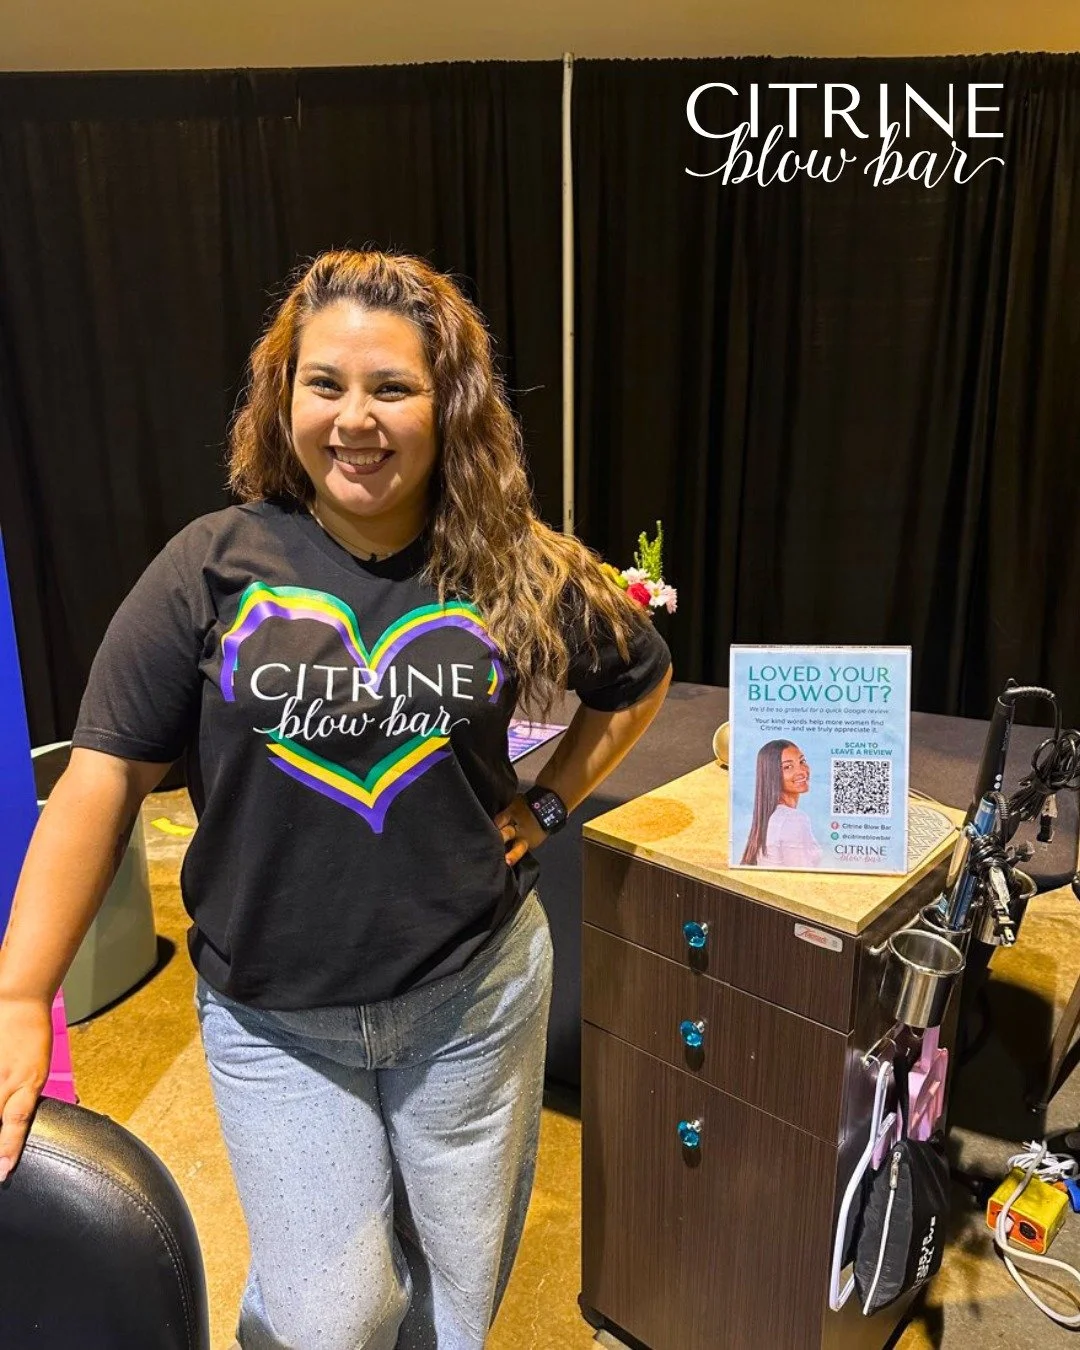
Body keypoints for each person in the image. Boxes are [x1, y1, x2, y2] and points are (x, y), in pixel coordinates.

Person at [0, 250, 672, 1350]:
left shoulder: (507, 563)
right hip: (277, 1021)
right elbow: (103, 777)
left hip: (473, 999)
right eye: (326, 384)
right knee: (331, 1315)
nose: (356, 419)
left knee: (454, 1299)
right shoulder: (209, 566)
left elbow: (636, 679)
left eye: (392, 387)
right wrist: (21, 992)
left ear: (448, 407)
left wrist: (548, 806)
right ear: (285, 398)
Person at [739, 739, 822, 867]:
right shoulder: (793, 819)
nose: (801, 771)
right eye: (788, 767)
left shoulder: (769, 818)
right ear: (772, 775)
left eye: (802, 761)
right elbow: (803, 874)